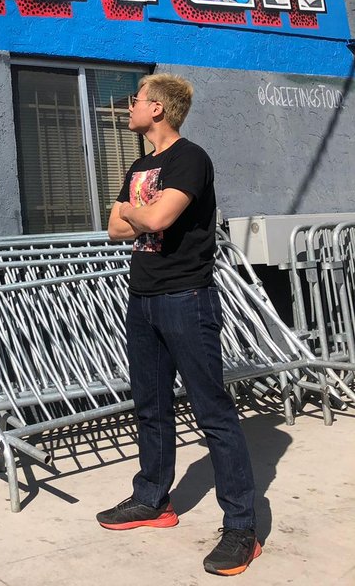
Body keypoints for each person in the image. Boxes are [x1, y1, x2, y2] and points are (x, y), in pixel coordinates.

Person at [97, 74, 261, 577]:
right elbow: (113, 228)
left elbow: (156, 221)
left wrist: (136, 211)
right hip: (143, 299)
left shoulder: (190, 159)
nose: (129, 106)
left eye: (136, 99)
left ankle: (242, 528)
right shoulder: (139, 165)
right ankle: (153, 499)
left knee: (213, 412)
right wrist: (138, 213)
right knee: (150, 406)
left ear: (158, 109)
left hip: (187, 299)